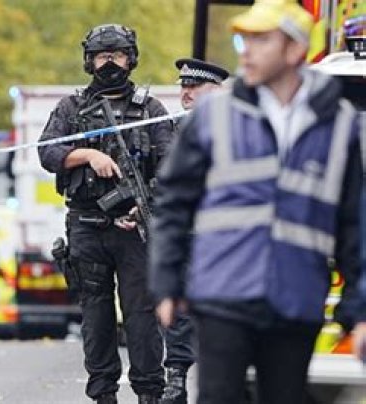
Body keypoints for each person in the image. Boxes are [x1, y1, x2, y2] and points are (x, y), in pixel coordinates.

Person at [149, 1, 363, 403]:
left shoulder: (339, 125)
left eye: (261, 40)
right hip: (222, 296)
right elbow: (174, 203)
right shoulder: (213, 115)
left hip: (296, 301)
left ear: (295, 49)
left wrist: (360, 307)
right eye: (242, 40)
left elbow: (353, 225)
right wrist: (167, 282)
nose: (246, 51)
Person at [39, 24, 173, 404]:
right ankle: (103, 394)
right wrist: (87, 155)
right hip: (87, 226)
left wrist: (145, 205)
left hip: (135, 231)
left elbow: (172, 167)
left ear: (131, 59)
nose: (110, 63)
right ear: (90, 61)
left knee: (141, 316)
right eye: (103, 56)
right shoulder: (71, 108)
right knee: (96, 316)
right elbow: (47, 152)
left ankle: (149, 392)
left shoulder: (150, 109)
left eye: (117, 55)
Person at [160, 57, 229, 404]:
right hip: (187, 233)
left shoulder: (235, 127)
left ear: (215, 90)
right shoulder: (172, 128)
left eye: (194, 86)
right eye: (183, 86)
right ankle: (176, 377)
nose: (186, 93)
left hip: (225, 236)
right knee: (179, 308)